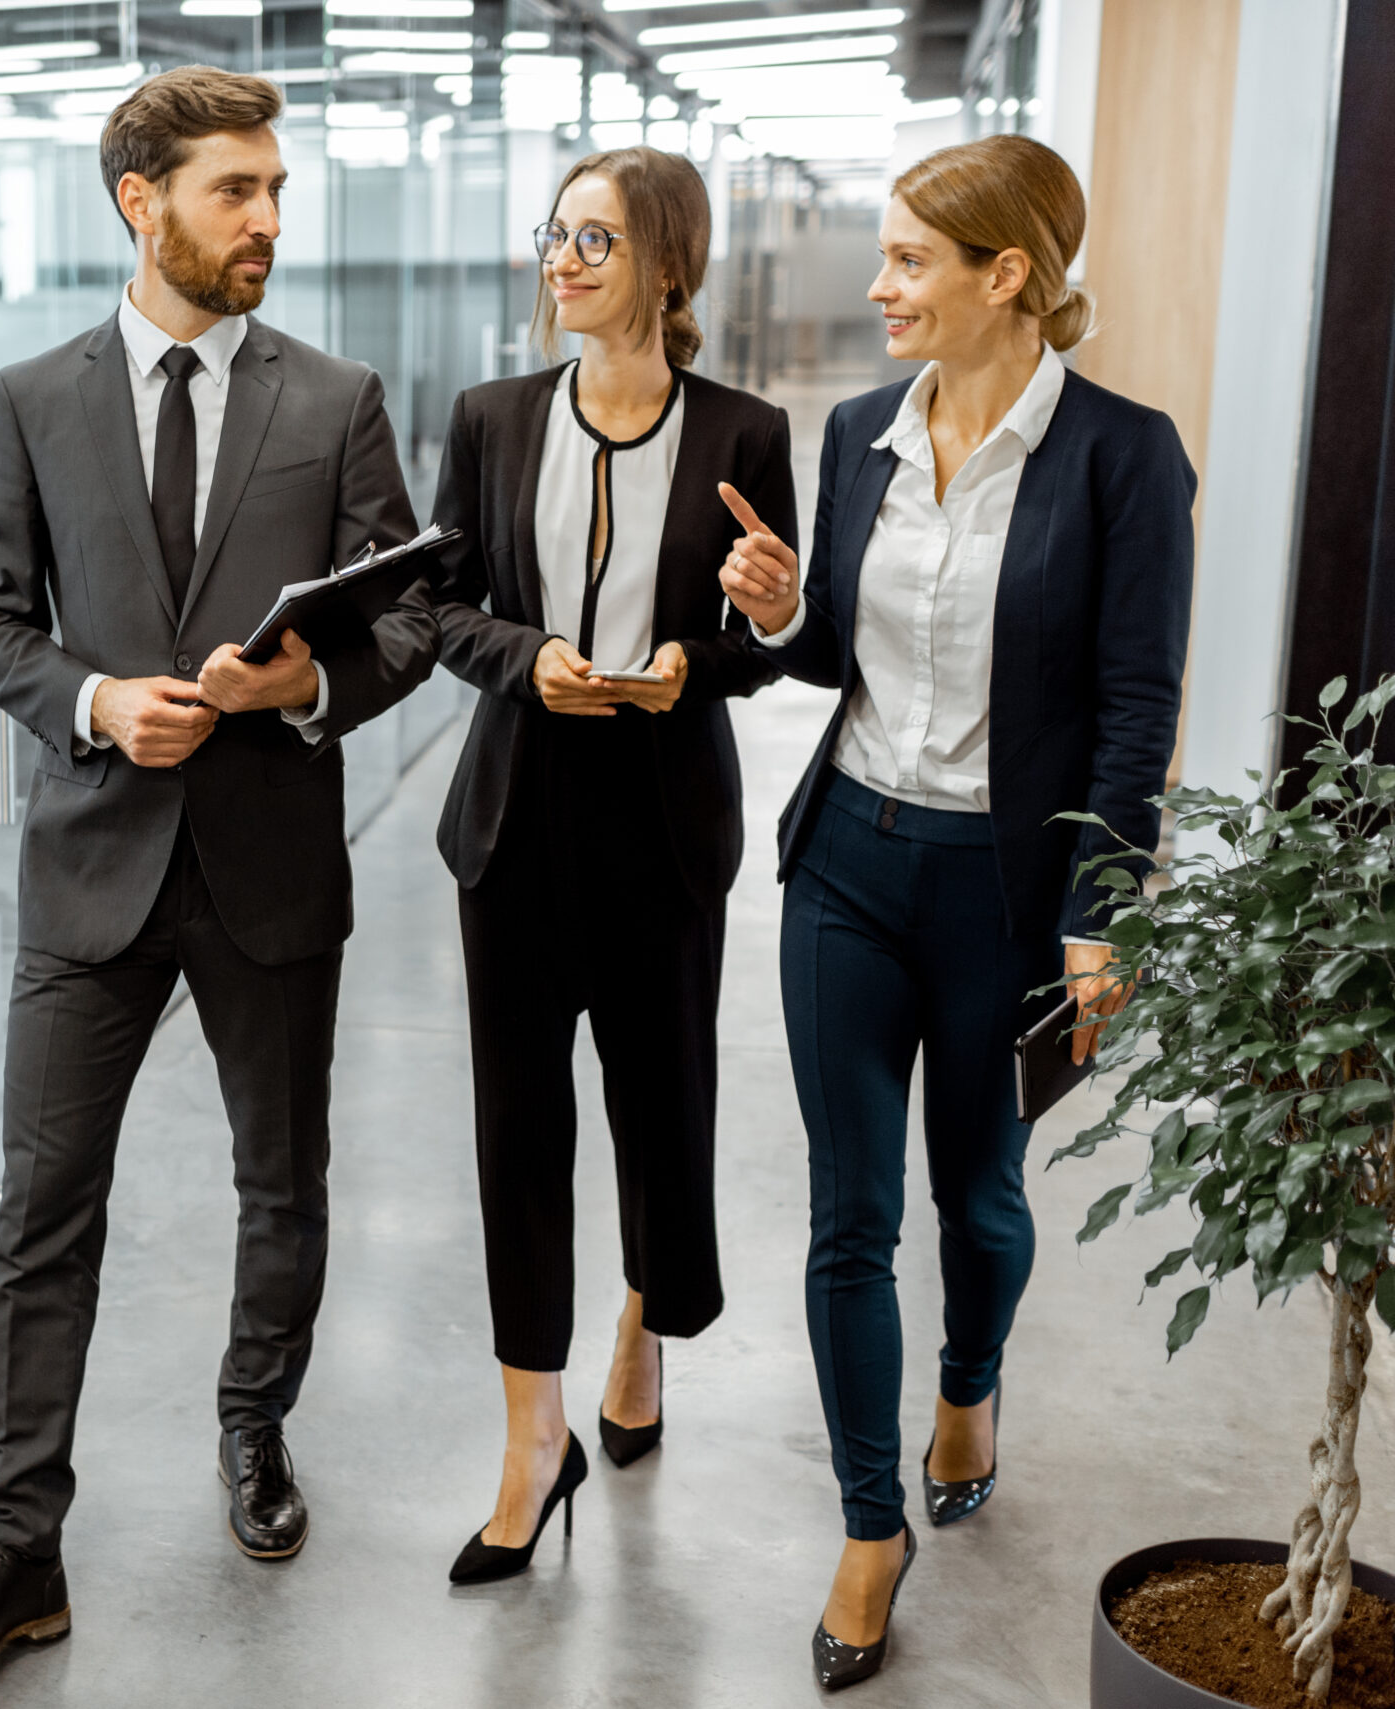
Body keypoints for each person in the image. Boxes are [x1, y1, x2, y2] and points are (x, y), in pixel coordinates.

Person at [0, 66, 436, 1660]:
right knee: (45, 1212)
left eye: (276, 189)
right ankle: (16, 1550)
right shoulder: (32, 398)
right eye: (235, 191)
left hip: (270, 863)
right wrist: (97, 700)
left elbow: (403, 615)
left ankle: (255, 1430)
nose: (269, 218)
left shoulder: (335, 397)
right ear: (143, 203)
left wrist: (308, 684)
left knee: (285, 1185)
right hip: (89, 870)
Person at [717, 135, 1194, 1690]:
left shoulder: (1126, 456)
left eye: (910, 258)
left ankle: (970, 1383)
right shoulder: (857, 430)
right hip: (848, 859)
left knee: (978, 1189)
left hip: (1007, 887)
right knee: (848, 1210)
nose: (878, 286)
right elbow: (827, 657)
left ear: (1008, 276)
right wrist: (784, 613)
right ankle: (871, 1528)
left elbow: (1136, 707)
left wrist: (1101, 910)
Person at [423, 147, 795, 1586]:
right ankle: (533, 1443)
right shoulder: (493, 418)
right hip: (513, 829)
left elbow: (765, 644)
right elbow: (443, 608)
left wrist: (713, 648)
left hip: (660, 828)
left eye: (594, 239)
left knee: (662, 1112)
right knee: (519, 1134)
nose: (561, 261)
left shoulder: (746, 433)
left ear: (666, 266)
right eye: (555, 236)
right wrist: (530, 662)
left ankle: (645, 1324)